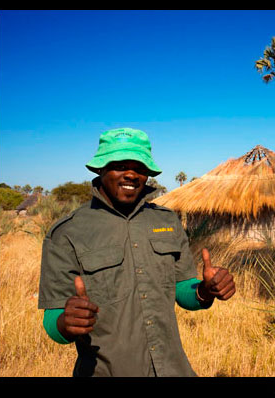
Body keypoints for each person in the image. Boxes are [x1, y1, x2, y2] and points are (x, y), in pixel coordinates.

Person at [38, 127, 236, 377]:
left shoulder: (167, 220)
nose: (131, 174)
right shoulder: (68, 232)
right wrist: (66, 324)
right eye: (120, 165)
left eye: (140, 168)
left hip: (174, 370)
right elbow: (52, 317)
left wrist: (205, 291)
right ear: (101, 169)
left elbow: (183, 287)